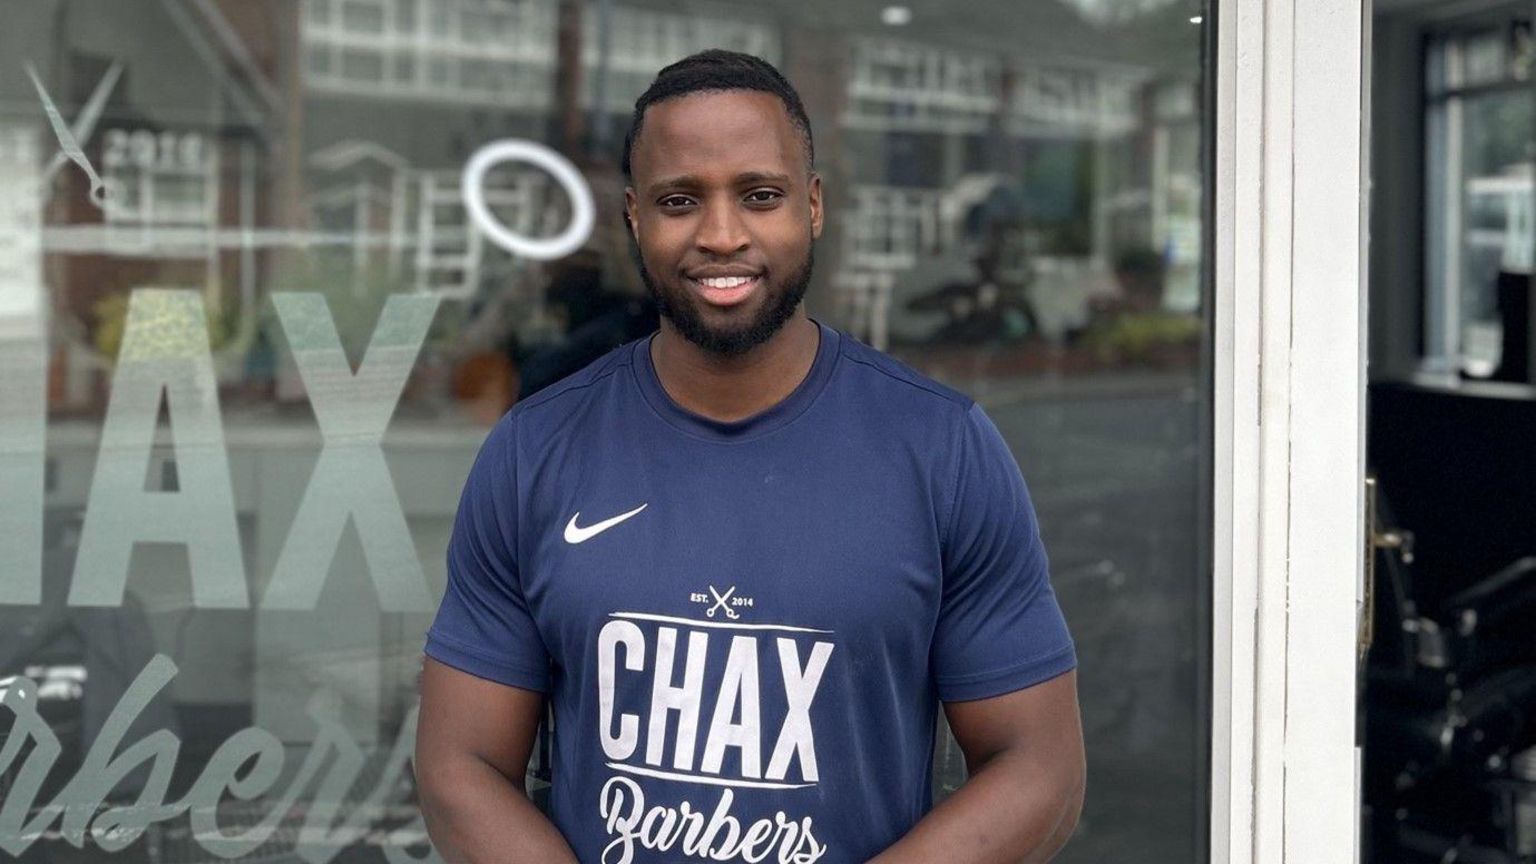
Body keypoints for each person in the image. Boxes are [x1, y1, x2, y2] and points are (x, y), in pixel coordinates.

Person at [415, 49, 1084, 864]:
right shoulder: (536, 449)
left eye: (759, 196)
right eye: (680, 200)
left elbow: (1039, 768)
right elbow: (461, 766)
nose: (722, 235)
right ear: (634, 218)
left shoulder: (941, 448)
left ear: (812, 207)